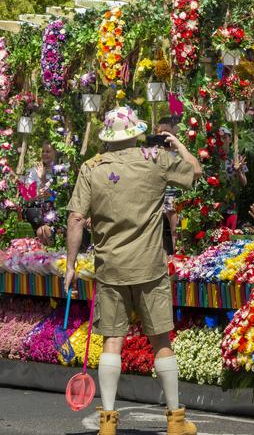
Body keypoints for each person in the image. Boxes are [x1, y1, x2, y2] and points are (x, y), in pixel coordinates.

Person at [64, 106, 201, 435]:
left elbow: (76, 219)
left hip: (110, 268)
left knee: (113, 340)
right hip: (149, 267)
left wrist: (70, 265)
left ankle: (108, 423)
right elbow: (195, 171)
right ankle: (175, 420)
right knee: (160, 340)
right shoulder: (155, 159)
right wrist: (177, 144)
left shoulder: (91, 168)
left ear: (108, 137)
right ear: (137, 132)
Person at [22, 141, 61, 245]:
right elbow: (26, 196)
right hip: (37, 211)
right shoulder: (34, 171)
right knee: (41, 232)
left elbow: (56, 197)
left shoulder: (59, 171)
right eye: (43, 151)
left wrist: (43, 180)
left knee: (44, 231)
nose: (44, 154)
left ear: (55, 153)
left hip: (55, 211)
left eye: (48, 151)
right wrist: (37, 195)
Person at [155, 117, 181, 254]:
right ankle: (161, 257)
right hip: (159, 195)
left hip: (174, 195)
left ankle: (176, 255)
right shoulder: (155, 151)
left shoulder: (178, 150)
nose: (163, 135)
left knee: (175, 230)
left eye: (166, 131)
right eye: (160, 131)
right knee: (157, 231)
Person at [218, 126, 247, 229]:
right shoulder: (212, 157)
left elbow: (244, 183)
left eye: (225, 137)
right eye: (220, 138)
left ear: (230, 139)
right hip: (216, 204)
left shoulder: (236, 157)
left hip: (232, 204)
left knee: (230, 234)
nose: (222, 140)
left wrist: (238, 170)